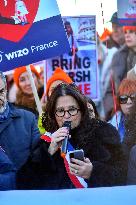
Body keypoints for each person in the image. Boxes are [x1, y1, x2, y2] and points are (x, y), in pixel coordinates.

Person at [40, 83, 126, 188]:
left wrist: (93, 172)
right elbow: (27, 181)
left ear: (82, 110)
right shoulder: (47, 139)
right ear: (53, 113)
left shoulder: (104, 132)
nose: (66, 116)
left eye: (72, 109)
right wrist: (48, 152)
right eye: (60, 111)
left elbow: (123, 175)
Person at [0, 71, 41, 189]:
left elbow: (39, 160)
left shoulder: (27, 119)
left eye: (1, 91)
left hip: (25, 193)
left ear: (6, 89)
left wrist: (49, 145)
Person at [109, 78, 136, 143]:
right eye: (123, 98)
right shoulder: (112, 123)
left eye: (133, 97)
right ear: (118, 102)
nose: (129, 102)